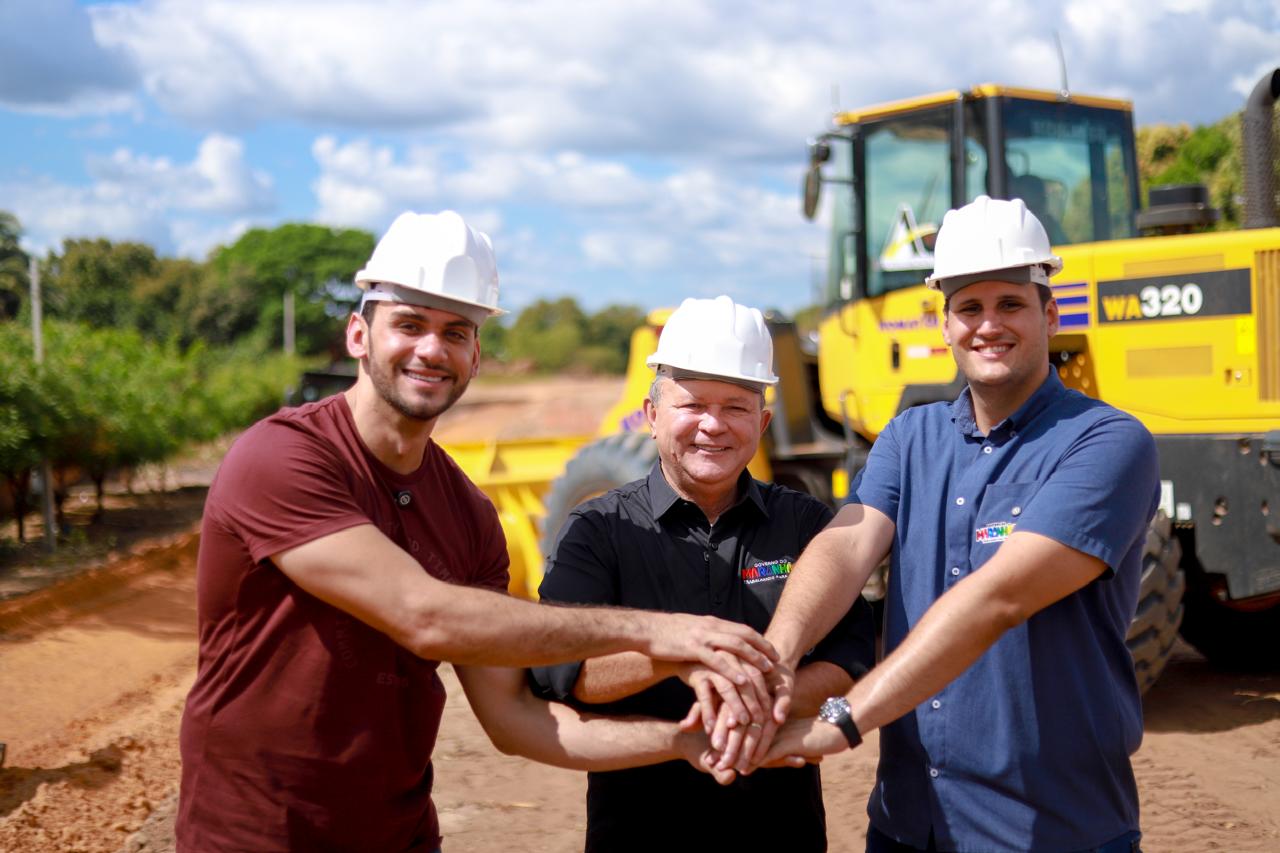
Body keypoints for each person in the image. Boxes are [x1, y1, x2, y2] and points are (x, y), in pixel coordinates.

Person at [176, 212, 778, 852]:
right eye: (409, 324)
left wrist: (683, 743)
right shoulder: (284, 457)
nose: (432, 349)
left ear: (475, 357)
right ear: (358, 334)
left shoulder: (466, 514)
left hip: (400, 836)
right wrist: (663, 632)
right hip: (257, 835)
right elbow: (424, 615)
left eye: (455, 332)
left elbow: (515, 719)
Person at [759, 196, 1158, 853]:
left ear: (1049, 314)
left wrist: (845, 718)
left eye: (1011, 304)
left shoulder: (1106, 442)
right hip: (907, 826)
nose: (988, 324)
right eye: (969, 307)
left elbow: (999, 597)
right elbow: (845, 545)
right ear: (943, 324)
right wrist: (775, 659)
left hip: (1051, 830)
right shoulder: (908, 436)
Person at [531, 296, 876, 852]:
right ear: (652, 415)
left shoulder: (805, 523)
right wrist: (680, 658)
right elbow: (565, 671)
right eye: (692, 405)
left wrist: (760, 702)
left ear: (762, 422)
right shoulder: (598, 530)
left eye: (736, 407)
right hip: (639, 833)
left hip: (780, 834)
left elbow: (852, 656)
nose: (713, 425)